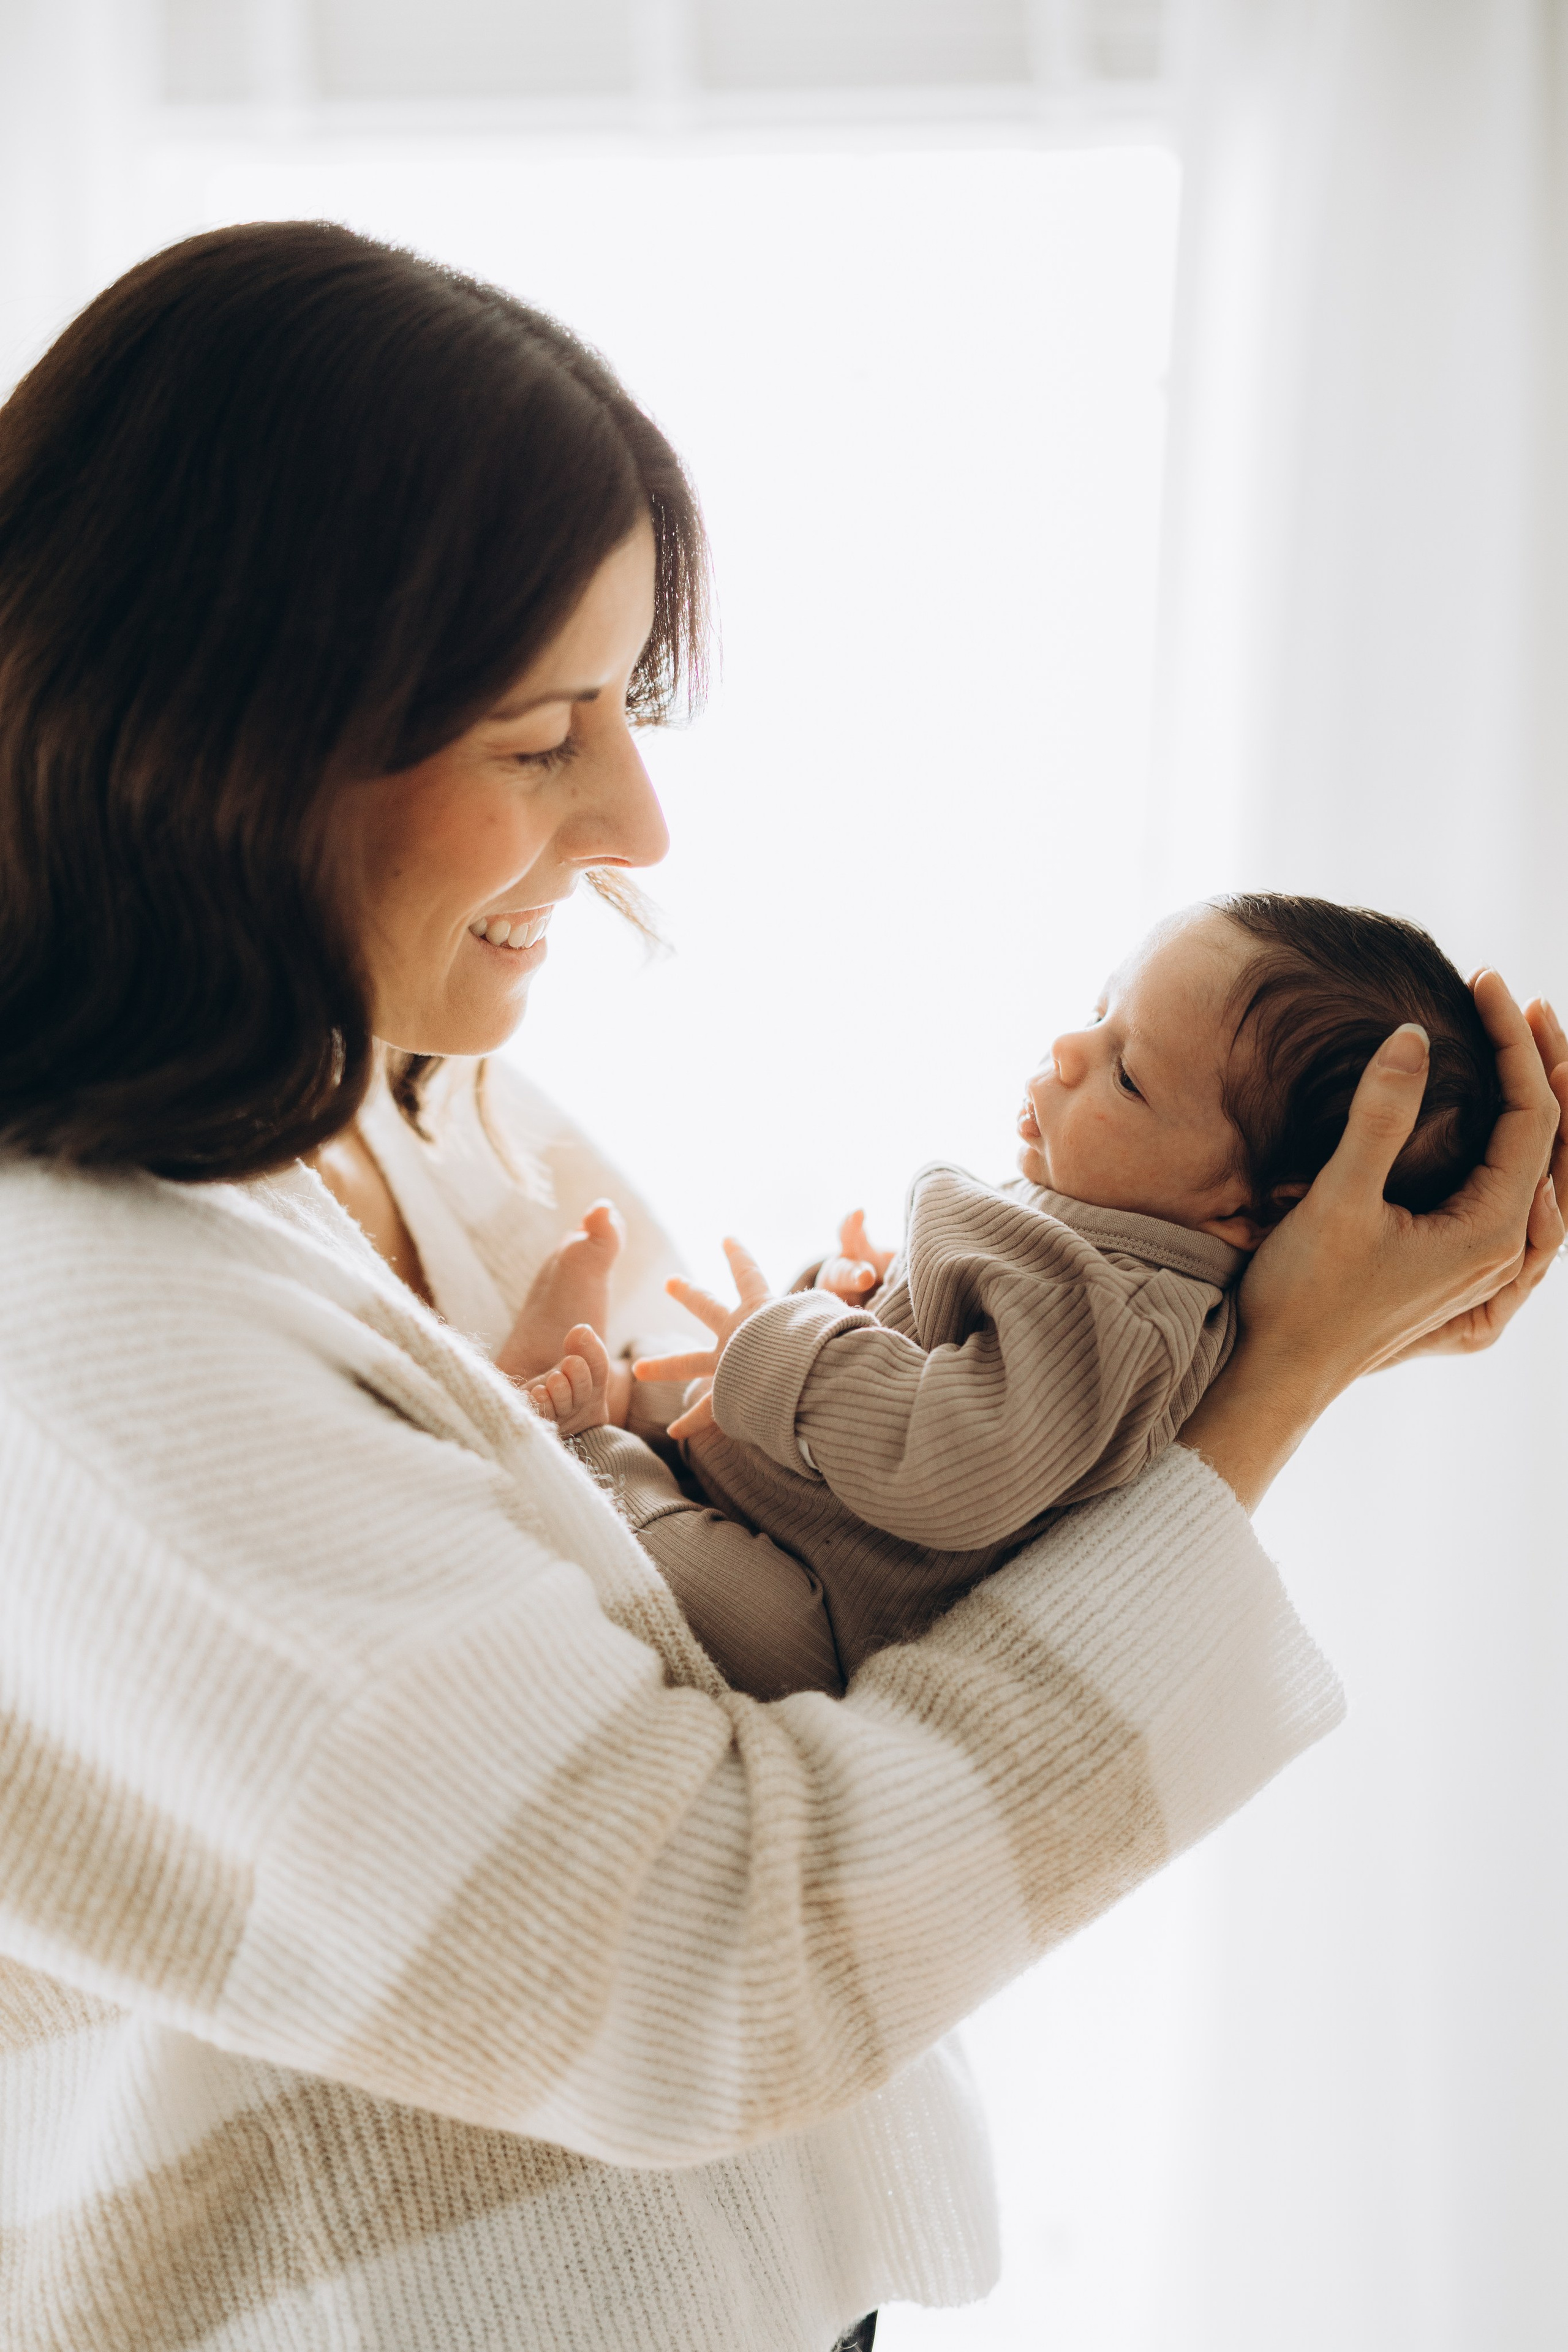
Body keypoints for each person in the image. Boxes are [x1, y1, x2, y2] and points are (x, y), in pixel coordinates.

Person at [0, 222, 1561, 2352]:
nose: (637, 820)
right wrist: (1265, 1389)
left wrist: (1243, 1312)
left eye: (624, 708)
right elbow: (707, 1958)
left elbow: (833, 1580)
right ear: (228, 736)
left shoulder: (417, 1116)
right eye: (543, 733)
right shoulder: (76, 1330)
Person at [520, 894, 1504, 1700]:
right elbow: (928, 1366)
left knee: (741, 1615)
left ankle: (591, 1455)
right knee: (684, 1361)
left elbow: (956, 1460)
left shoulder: (1122, 1315)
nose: (1070, 1052)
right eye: (1099, 1011)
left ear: (1250, 1209)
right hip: (778, 1483)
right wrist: (860, 1295)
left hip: (808, 1596)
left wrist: (792, 1344)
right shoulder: (1094, 1231)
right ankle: (611, 1394)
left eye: (1127, 1075)